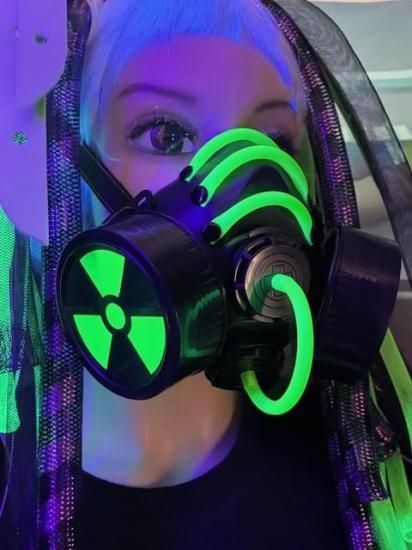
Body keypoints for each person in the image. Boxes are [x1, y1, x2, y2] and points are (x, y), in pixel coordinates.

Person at [74, 0, 346, 548]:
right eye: (165, 135)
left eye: (273, 143)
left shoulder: (349, 449)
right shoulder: (24, 490)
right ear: (73, 163)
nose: (240, 184)